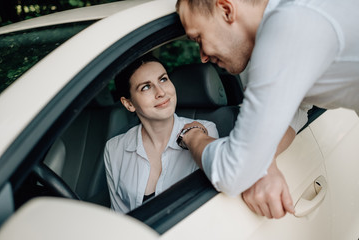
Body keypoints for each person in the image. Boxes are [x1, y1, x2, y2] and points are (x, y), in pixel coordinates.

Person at [175, 0, 359, 219]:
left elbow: (233, 172)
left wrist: (192, 135)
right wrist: (262, 156)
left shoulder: (287, 30)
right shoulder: (297, 16)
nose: (202, 56)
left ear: (225, 9)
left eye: (198, 38)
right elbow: (298, 107)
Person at [104, 54, 218, 213]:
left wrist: (193, 137)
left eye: (163, 79)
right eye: (146, 87)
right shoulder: (114, 148)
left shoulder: (204, 131)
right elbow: (119, 215)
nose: (161, 93)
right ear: (129, 104)